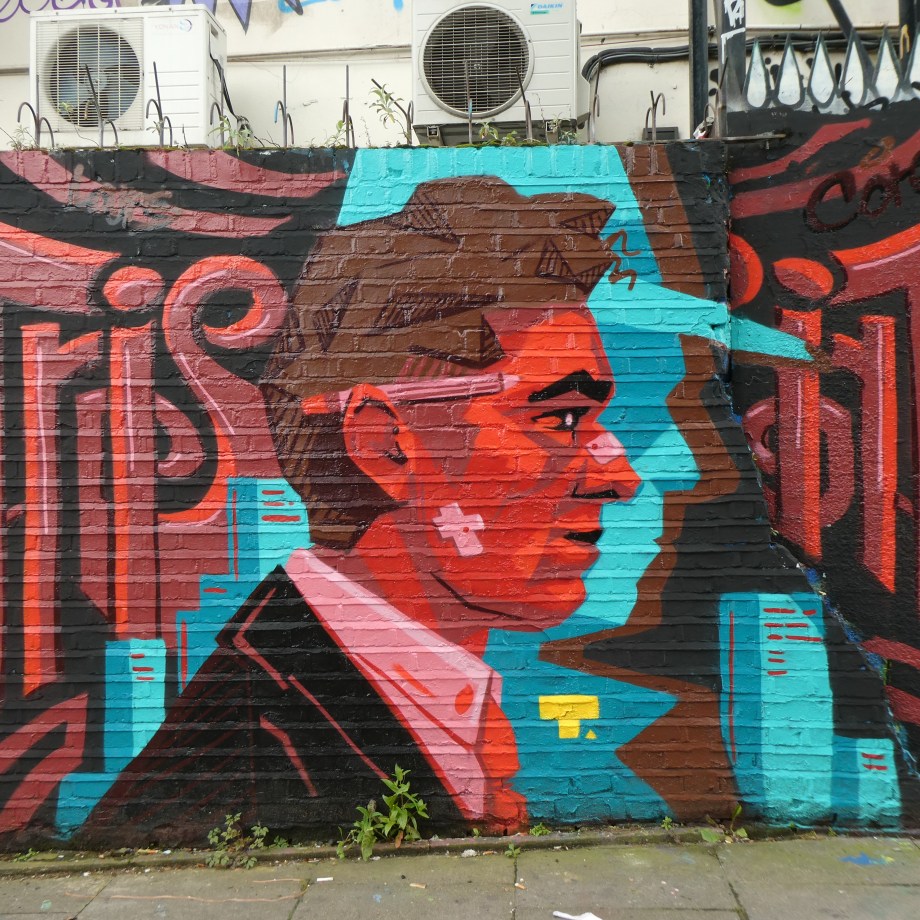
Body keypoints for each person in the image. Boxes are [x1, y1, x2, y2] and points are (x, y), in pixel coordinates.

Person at [84, 177, 640, 844]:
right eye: (560, 419)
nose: (620, 478)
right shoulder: (245, 763)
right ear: (384, 445)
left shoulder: (353, 698)